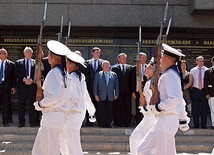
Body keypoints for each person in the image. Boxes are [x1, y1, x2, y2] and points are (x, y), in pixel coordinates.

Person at [137, 43, 187, 155]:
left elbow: (175, 98)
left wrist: (158, 107)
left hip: (166, 119)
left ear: (167, 59)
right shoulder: (168, 74)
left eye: (162, 56)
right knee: (142, 150)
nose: (160, 59)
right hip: (161, 120)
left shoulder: (170, 75)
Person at [32, 40, 71, 155]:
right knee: (38, 151)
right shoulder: (64, 74)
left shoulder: (54, 73)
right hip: (56, 116)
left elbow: (53, 97)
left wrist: (39, 104)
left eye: (48, 54)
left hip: (52, 116)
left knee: (49, 151)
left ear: (52, 57)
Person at [60, 51, 95, 155]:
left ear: (70, 64)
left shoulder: (73, 78)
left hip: (72, 114)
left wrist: (60, 108)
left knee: (73, 145)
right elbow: (86, 95)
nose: (65, 64)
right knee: (62, 139)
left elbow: (72, 98)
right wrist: (91, 110)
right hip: (74, 114)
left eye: (66, 61)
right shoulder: (79, 77)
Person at [129, 58, 156, 155]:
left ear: (153, 71)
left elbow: (154, 102)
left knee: (147, 145)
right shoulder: (148, 82)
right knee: (134, 138)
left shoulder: (152, 83)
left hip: (151, 116)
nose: (145, 70)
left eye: (148, 68)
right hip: (147, 116)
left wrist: (145, 108)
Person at [15, 46, 39, 127]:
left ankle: (32, 121)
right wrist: (24, 79)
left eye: (31, 52)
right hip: (22, 86)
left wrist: (32, 80)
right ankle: (21, 122)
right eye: (28, 52)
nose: (30, 53)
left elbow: (37, 73)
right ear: (24, 53)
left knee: (32, 104)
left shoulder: (35, 62)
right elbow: (16, 73)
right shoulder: (18, 62)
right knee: (21, 104)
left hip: (32, 86)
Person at [93, 60, 119, 128]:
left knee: (110, 110)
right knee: (101, 110)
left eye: (108, 65)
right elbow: (95, 85)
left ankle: (109, 123)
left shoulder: (114, 74)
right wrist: (95, 95)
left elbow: (116, 85)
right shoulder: (98, 74)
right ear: (102, 67)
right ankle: (102, 123)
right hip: (101, 95)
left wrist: (116, 94)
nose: (108, 67)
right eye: (106, 65)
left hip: (110, 95)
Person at [112, 53, 132, 127]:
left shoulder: (130, 68)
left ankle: (127, 122)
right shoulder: (114, 68)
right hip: (118, 91)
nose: (124, 59)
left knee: (127, 107)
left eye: (125, 58)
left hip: (127, 91)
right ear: (118, 59)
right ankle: (118, 122)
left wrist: (132, 91)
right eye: (122, 58)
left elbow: (131, 80)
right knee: (118, 107)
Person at [84, 47, 103, 126]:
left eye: (99, 53)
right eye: (96, 52)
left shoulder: (102, 63)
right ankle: (89, 122)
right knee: (89, 104)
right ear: (92, 53)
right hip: (89, 88)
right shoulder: (87, 63)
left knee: (99, 106)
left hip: (99, 89)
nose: (98, 54)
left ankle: (99, 121)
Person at [189, 56, 208, 129]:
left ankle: (204, 124)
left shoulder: (207, 70)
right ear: (196, 62)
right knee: (195, 108)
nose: (201, 63)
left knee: (204, 108)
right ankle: (196, 124)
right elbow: (191, 82)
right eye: (199, 61)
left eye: (202, 61)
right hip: (195, 90)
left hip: (204, 91)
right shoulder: (193, 70)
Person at [0, 48, 16, 127]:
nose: (4, 55)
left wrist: (13, 87)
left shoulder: (11, 64)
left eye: (5, 53)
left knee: (5, 104)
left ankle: (5, 121)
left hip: (6, 87)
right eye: (2, 53)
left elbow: (13, 77)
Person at [131, 52, 147, 125]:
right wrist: (133, 91)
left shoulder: (148, 67)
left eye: (145, 58)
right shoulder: (134, 68)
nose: (144, 59)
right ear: (139, 59)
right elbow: (131, 81)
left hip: (146, 91)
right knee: (138, 106)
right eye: (142, 58)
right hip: (137, 91)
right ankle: (138, 122)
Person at [204, 56, 214, 129]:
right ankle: (213, 124)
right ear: (212, 62)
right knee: (212, 110)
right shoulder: (208, 71)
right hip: (211, 94)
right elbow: (205, 83)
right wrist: (207, 93)